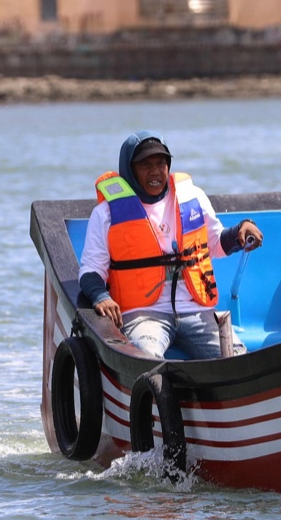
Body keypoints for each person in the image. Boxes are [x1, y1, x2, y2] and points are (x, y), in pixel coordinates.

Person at [78, 131, 262, 359]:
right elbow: (91, 270)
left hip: (196, 310)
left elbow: (216, 243)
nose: (155, 171)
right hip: (143, 315)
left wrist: (240, 231)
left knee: (236, 358)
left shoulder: (192, 197)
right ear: (129, 169)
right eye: (145, 164)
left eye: (161, 163)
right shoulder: (106, 214)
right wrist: (101, 297)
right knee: (145, 357)